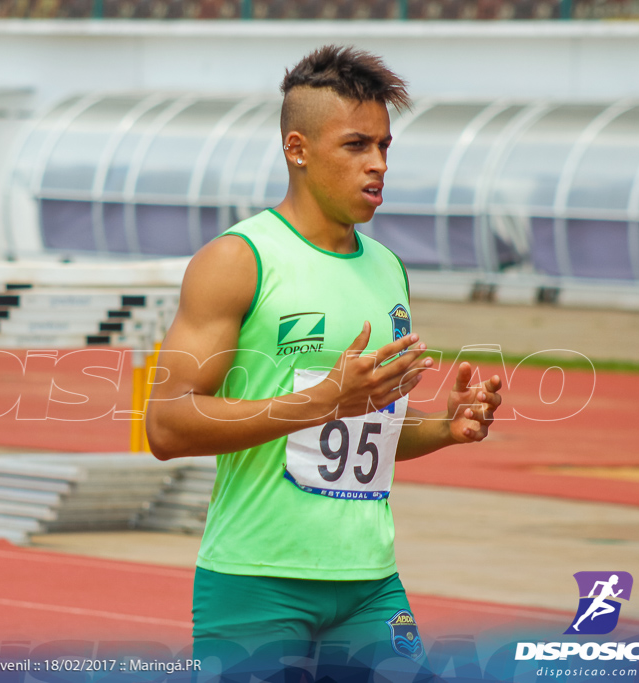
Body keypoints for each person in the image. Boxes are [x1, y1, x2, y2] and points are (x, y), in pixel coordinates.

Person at [145, 45, 503, 678]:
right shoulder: (238, 260)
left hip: (369, 584)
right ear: (298, 149)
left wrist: (447, 428)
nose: (378, 165)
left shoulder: (388, 269)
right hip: (257, 582)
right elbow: (167, 426)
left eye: (385, 147)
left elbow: (368, 430)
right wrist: (321, 400)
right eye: (357, 145)